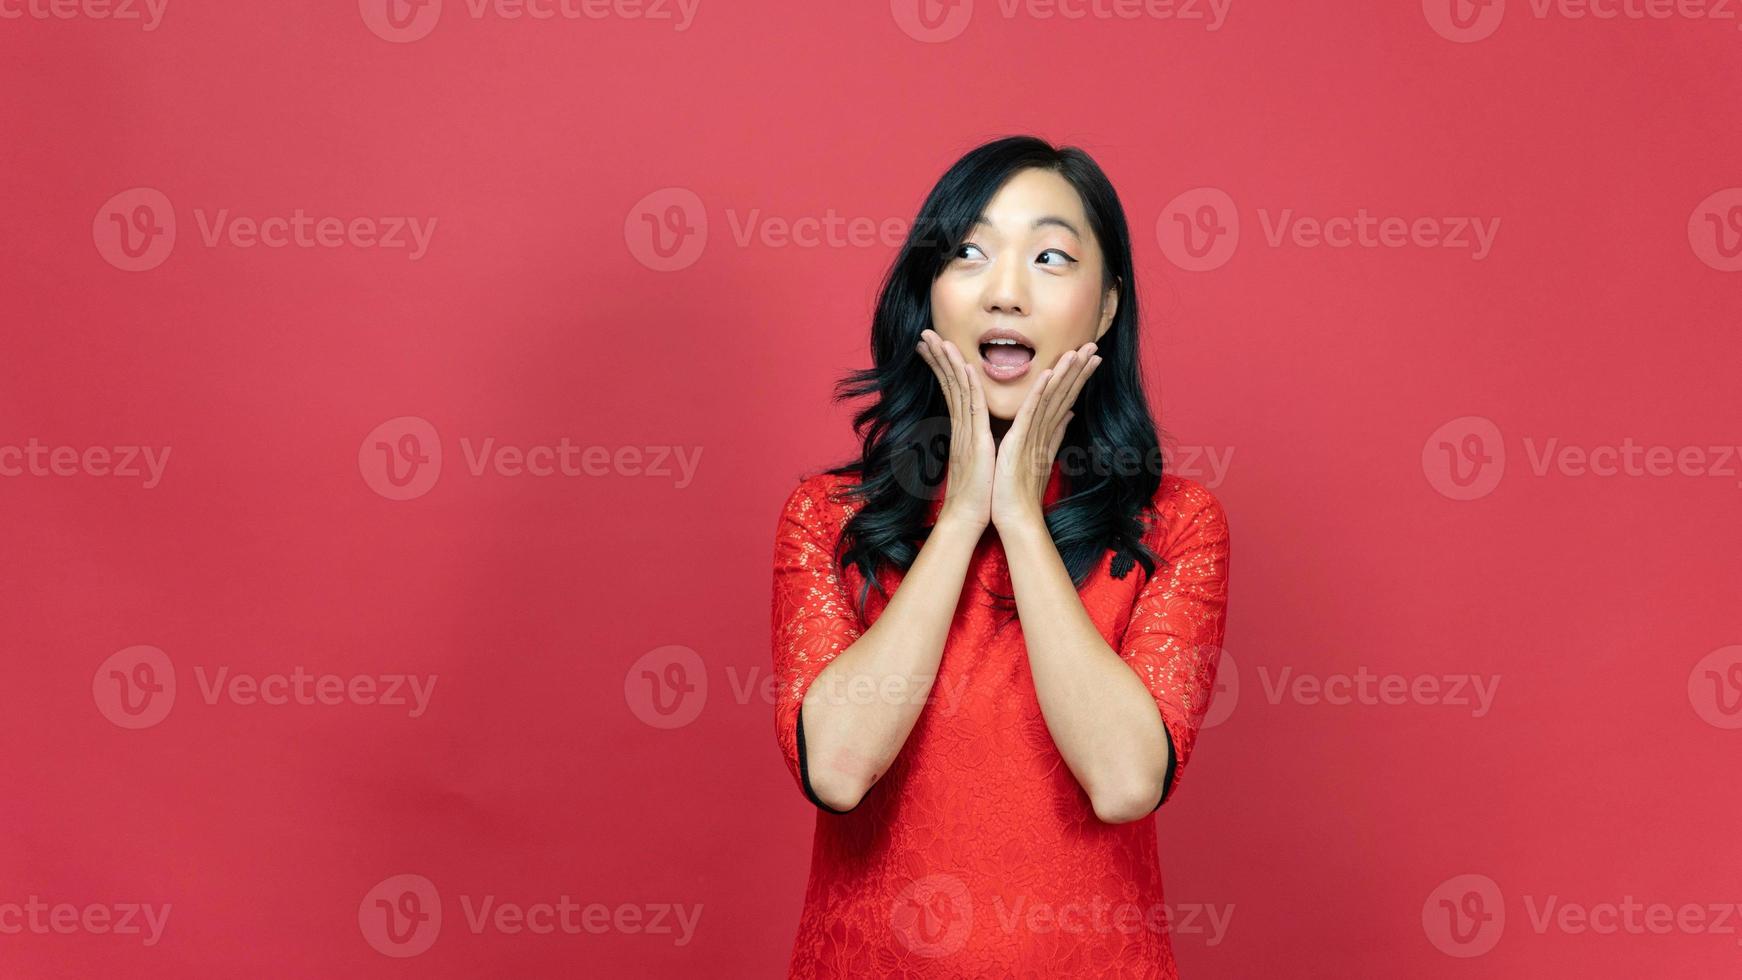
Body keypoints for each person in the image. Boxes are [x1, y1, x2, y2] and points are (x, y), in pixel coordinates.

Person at [770, 135, 1231, 978]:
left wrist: (1019, 519)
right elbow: (836, 769)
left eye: (1051, 256)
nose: (1006, 291)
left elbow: (1125, 781)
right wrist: (956, 525)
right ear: (928, 295)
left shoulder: (1177, 525)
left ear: (1105, 308)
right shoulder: (830, 518)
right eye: (969, 252)